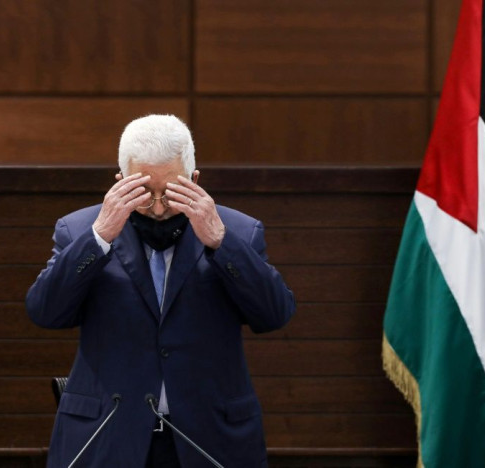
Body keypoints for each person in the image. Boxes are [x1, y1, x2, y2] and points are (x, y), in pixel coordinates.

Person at [26, 114, 295, 467]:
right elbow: (45, 312)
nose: (157, 207)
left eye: (170, 192)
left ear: (195, 180)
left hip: (208, 438)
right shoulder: (79, 230)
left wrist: (221, 243)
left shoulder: (239, 232)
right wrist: (99, 239)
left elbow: (274, 314)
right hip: (109, 435)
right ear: (120, 181)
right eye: (143, 192)